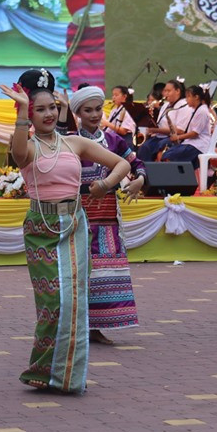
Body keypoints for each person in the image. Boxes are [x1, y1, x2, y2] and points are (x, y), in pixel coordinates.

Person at [0, 69, 131, 393]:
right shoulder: (28, 146)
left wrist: (104, 185)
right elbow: (17, 155)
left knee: (74, 303)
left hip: (74, 225)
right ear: (31, 113)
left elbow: (123, 164)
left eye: (53, 107)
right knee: (53, 303)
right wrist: (19, 111)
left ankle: (68, 378)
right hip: (41, 228)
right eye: (40, 108)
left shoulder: (75, 142)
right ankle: (45, 370)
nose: (48, 113)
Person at [67, 85, 145, 345]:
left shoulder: (113, 140)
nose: (93, 114)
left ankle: (97, 327)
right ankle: (80, 327)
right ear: (77, 113)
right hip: (78, 214)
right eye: (87, 110)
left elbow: (136, 163)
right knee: (81, 271)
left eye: (98, 109)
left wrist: (140, 180)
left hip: (109, 216)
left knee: (104, 271)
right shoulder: (68, 140)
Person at [136, 80, 191, 162]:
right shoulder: (165, 105)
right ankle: (143, 172)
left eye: (168, 91)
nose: (165, 94)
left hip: (175, 138)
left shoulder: (184, 106)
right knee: (144, 147)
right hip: (159, 136)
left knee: (162, 148)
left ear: (177, 91)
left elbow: (180, 130)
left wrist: (155, 130)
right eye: (165, 91)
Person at [161, 85, 213, 168]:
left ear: (196, 97)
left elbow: (195, 133)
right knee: (167, 153)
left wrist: (178, 137)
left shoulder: (202, 111)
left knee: (169, 155)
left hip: (198, 146)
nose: (186, 100)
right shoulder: (196, 110)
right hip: (191, 143)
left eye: (188, 96)